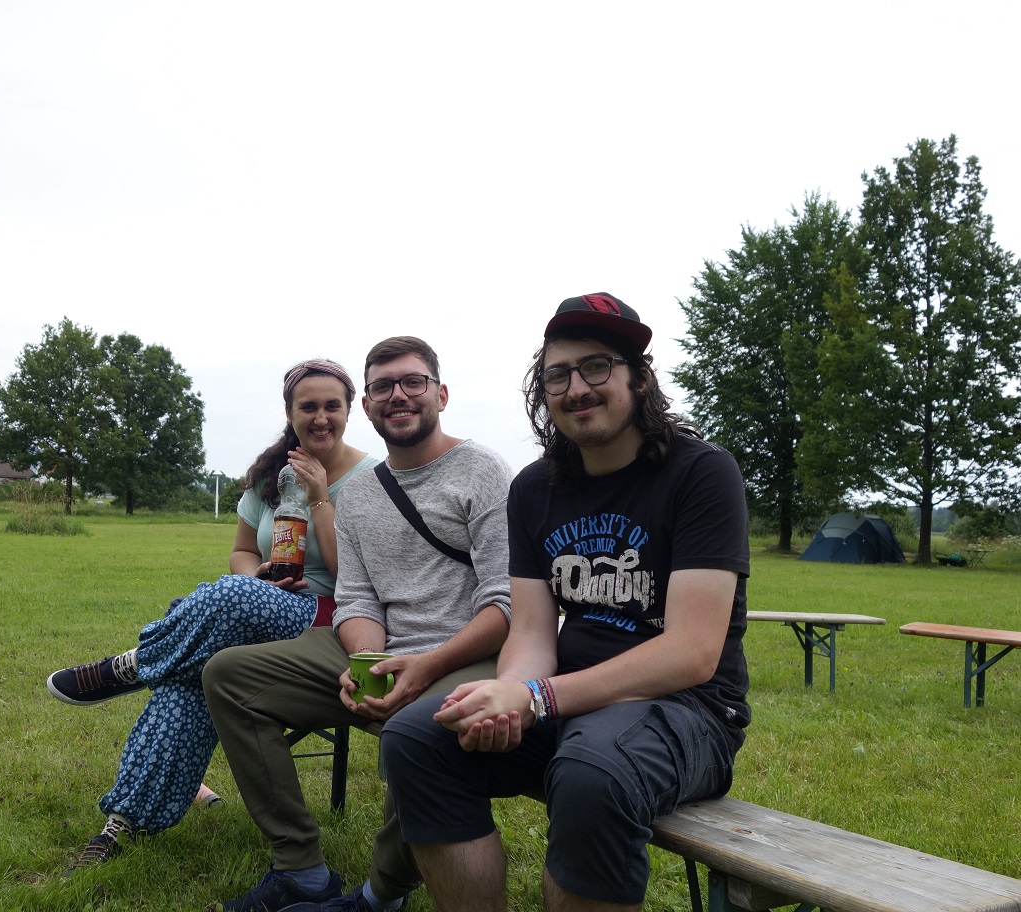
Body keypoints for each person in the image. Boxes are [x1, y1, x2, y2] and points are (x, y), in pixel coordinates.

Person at [379, 293, 751, 912]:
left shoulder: (701, 473)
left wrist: (537, 698)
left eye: (597, 367)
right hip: (570, 701)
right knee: (416, 738)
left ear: (639, 377)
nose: (577, 388)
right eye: (558, 374)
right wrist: (507, 696)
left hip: (689, 710)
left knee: (592, 773)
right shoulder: (534, 487)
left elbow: (692, 653)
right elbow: (530, 631)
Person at [201, 336, 514, 912]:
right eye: (382, 387)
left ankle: (379, 895)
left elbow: (504, 603)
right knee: (229, 676)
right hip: (382, 649)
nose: (398, 395)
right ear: (367, 406)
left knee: (417, 730)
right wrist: (368, 664)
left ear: (441, 394)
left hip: (468, 653)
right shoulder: (364, 492)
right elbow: (357, 597)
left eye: (413, 382)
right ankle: (300, 868)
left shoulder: (484, 471)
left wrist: (424, 669)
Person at [45, 358, 379, 870]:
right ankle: (125, 822)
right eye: (307, 406)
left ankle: (132, 666)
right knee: (194, 678)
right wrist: (256, 575)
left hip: (331, 618)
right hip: (265, 607)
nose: (320, 417)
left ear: (349, 410)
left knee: (226, 602)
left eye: (331, 406)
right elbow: (241, 552)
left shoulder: (369, 478)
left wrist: (318, 497)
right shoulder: (269, 476)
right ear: (290, 412)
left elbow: (352, 574)